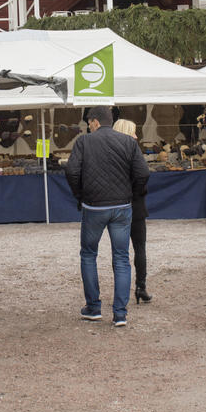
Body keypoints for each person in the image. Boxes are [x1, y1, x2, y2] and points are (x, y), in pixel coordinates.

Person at [65, 105, 150, 327]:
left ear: (94, 121)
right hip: (122, 206)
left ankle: (94, 307)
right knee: (121, 258)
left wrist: (80, 194)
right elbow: (143, 173)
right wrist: (131, 192)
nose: (89, 126)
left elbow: (72, 171)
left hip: (94, 207)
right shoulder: (128, 142)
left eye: (89, 123)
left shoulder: (84, 142)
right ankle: (120, 313)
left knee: (88, 255)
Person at [113, 118, 151, 304]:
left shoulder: (110, 153)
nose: (136, 136)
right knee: (139, 248)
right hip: (134, 205)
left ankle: (121, 290)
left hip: (117, 204)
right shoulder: (133, 151)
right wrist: (136, 192)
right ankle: (140, 286)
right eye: (133, 132)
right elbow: (143, 174)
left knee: (119, 252)